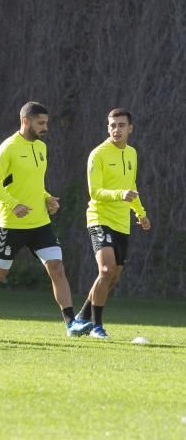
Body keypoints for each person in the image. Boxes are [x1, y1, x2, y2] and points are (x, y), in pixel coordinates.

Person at [0, 102, 93, 337]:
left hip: (40, 223)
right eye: (40, 123)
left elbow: (34, 183)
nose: (45, 127)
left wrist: (46, 199)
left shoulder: (42, 148)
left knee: (57, 267)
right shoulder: (8, 148)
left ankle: (70, 323)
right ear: (26, 121)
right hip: (11, 225)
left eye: (46, 123)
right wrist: (13, 205)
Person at [75, 108, 151, 339]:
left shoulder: (132, 154)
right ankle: (97, 327)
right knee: (106, 271)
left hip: (122, 223)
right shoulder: (97, 155)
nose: (116, 130)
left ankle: (81, 318)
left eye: (120, 125)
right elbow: (95, 191)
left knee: (112, 278)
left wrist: (140, 213)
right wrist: (120, 194)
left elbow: (132, 185)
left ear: (130, 128)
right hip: (99, 218)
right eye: (112, 125)